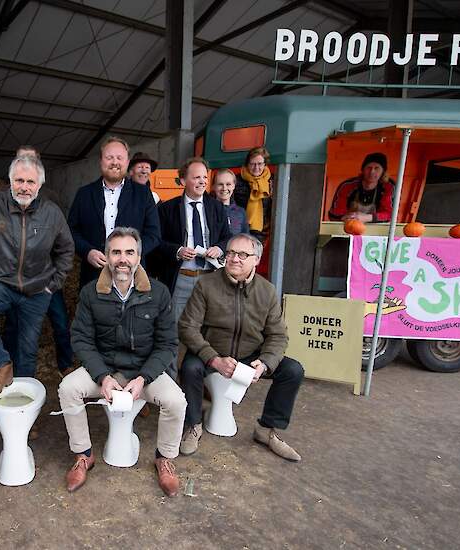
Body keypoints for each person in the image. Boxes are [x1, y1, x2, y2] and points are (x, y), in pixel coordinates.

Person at [57, 227, 185, 496]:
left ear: (139, 256)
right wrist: (103, 376)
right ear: (107, 256)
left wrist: (143, 378)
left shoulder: (158, 293)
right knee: (68, 388)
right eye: (116, 252)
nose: (122, 259)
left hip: (142, 371)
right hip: (105, 369)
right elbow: (80, 339)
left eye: (129, 252)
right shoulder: (91, 293)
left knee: (176, 401)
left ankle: (165, 458)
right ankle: (83, 454)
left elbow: (167, 344)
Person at [178, 233, 304, 462]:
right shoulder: (206, 284)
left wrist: (264, 363)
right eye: (231, 253)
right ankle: (193, 424)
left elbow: (278, 335)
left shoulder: (267, 291)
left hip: (250, 356)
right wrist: (213, 359)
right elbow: (188, 327)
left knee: (293, 370)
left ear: (256, 260)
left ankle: (266, 430)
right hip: (213, 353)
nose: (234, 259)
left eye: (242, 254)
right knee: (189, 368)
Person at [0, 154, 73, 396]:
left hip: (38, 290)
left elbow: (66, 249)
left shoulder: (52, 213)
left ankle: (23, 402)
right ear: (9, 181)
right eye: (19, 180)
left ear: (40, 185)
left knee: (27, 348)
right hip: (1, 284)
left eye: (30, 182)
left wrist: (53, 284)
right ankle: (0, 364)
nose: (24, 187)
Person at [2, 146, 74, 376]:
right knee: (14, 326)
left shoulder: (51, 199)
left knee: (60, 321)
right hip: (16, 280)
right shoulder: (3, 201)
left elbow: (64, 241)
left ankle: (65, 364)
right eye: (21, 158)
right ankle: (10, 369)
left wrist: (55, 279)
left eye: (31, 159)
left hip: (46, 275)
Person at [68, 136, 161, 287]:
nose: (114, 162)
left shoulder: (143, 194)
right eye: (109, 157)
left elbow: (154, 234)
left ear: (127, 162)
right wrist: (87, 252)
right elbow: (71, 230)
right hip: (93, 275)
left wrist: (131, 254)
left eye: (119, 157)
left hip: (132, 276)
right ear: (101, 161)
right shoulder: (84, 194)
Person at [152, 156, 231, 322]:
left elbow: (227, 237)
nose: (202, 181)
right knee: (173, 328)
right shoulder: (167, 209)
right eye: (196, 177)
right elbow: (156, 241)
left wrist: (219, 248)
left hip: (210, 277)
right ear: (182, 180)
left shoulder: (217, 207)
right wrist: (177, 250)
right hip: (180, 277)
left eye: (204, 177)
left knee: (207, 328)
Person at [328, 152, 395, 222]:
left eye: (377, 168)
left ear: (383, 172)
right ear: (363, 170)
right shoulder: (347, 186)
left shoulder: (388, 187)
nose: (372, 171)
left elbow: (390, 215)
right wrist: (348, 217)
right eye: (369, 168)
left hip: (377, 229)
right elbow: (335, 215)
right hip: (349, 226)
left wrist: (367, 218)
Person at [236, 147, 273, 236]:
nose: (256, 167)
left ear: (265, 164)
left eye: (260, 164)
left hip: (262, 232)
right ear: (247, 164)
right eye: (252, 164)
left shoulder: (272, 182)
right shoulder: (236, 180)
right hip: (239, 230)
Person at [210, 168, 249, 236]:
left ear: (234, 186)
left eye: (228, 184)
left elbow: (245, 238)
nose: (224, 188)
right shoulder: (207, 210)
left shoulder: (241, 212)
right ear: (213, 186)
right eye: (220, 184)